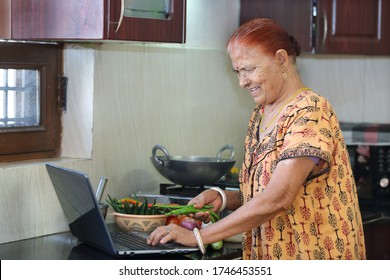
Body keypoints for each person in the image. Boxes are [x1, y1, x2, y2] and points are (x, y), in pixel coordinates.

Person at [147, 18, 366, 260]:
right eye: (237, 72)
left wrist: (197, 237)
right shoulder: (261, 114)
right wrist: (224, 198)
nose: (242, 82)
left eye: (250, 69)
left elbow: (279, 197)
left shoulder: (310, 111)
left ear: (281, 60)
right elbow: (265, 191)